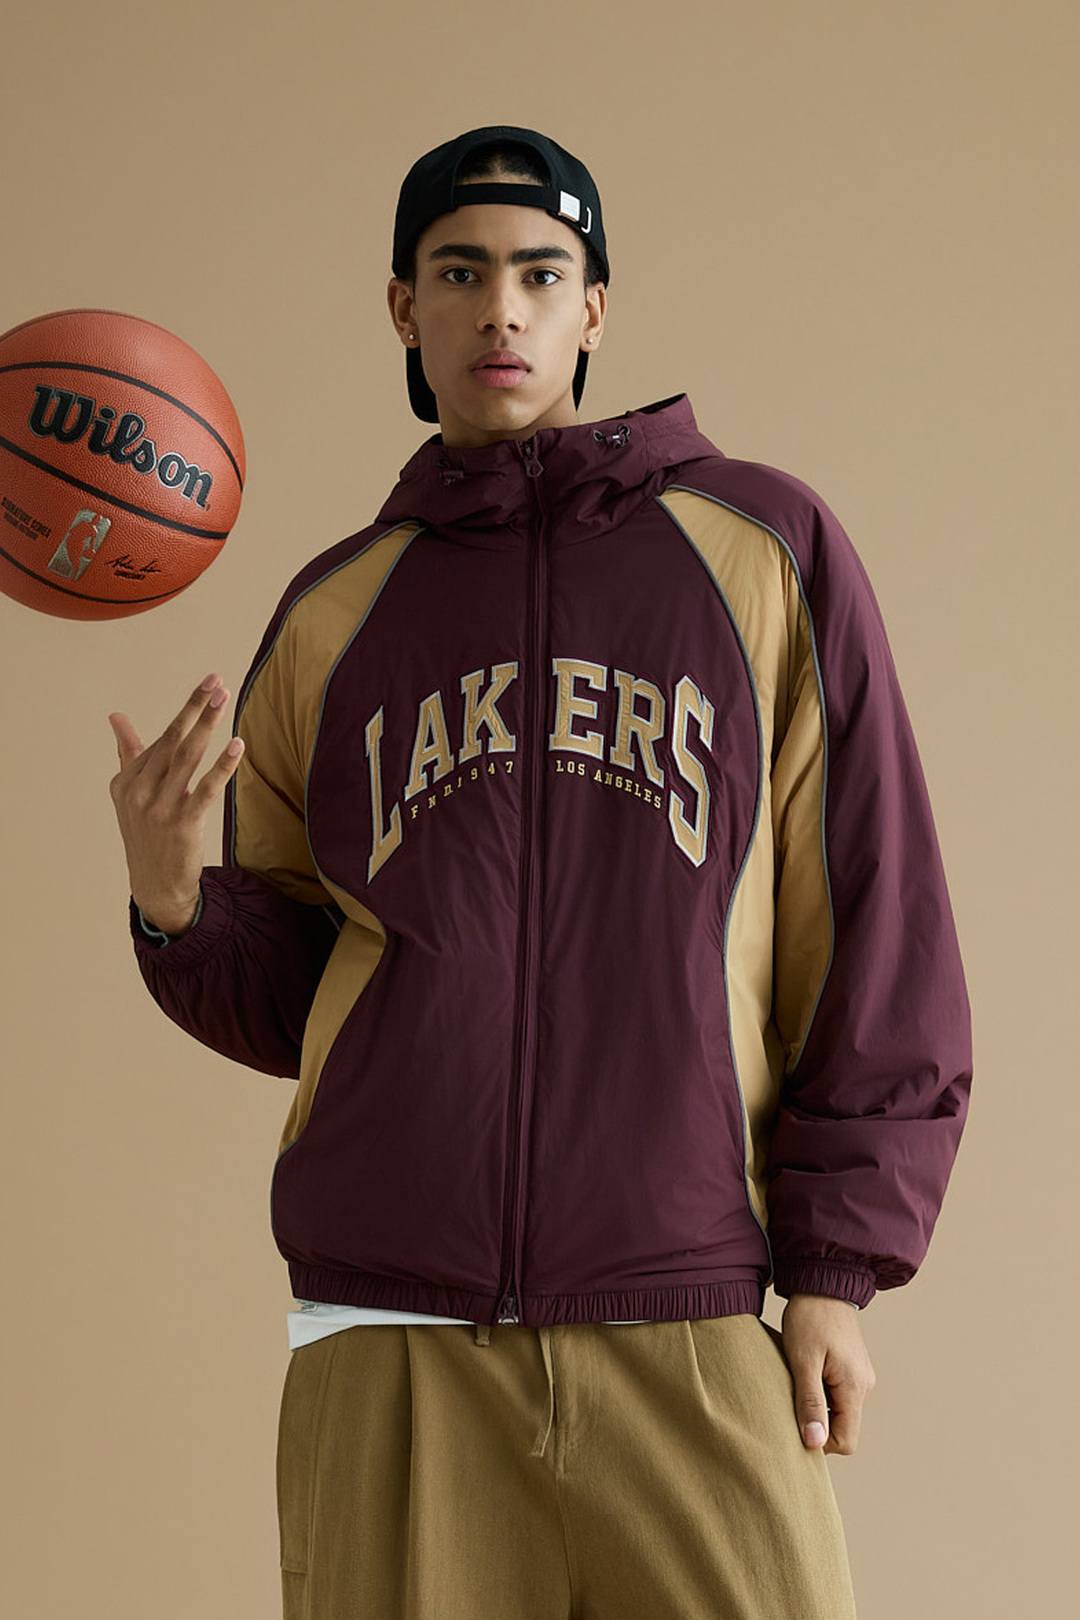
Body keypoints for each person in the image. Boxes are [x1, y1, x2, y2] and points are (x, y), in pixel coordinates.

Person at [107, 126, 972, 1620]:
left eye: (540, 274)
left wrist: (836, 1272)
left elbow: (876, 922)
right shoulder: (337, 610)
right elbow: (307, 1002)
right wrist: (176, 902)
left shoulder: (762, 551)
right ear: (404, 309)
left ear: (595, 309)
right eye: (459, 274)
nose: (500, 310)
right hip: (391, 1332)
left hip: (683, 1306)